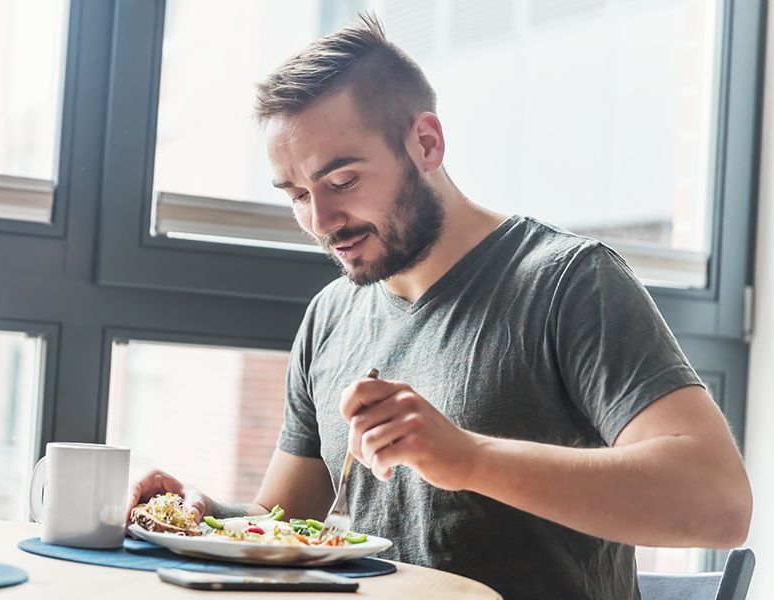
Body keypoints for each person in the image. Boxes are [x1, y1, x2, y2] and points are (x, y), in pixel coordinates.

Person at [126, 14, 752, 599]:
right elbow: (287, 523)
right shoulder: (330, 316)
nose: (321, 222)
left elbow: (719, 502)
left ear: (426, 143)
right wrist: (204, 516)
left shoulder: (568, 282)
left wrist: (468, 458)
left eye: (342, 181)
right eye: (297, 194)